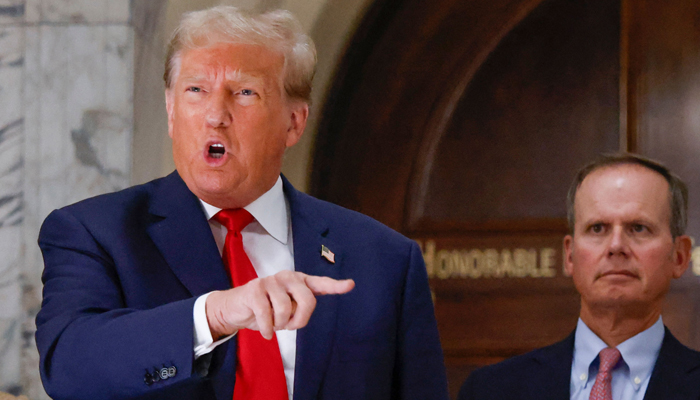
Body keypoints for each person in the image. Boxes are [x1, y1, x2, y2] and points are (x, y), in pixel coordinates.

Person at [35, 6, 448, 400]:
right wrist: (213, 316)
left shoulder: (383, 260)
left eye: (244, 92)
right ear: (171, 110)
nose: (216, 114)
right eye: (196, 90)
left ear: (294, 122)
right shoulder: (94, 232)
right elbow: (69, 366)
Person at [458, 154, 700, 400]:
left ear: (679, 257)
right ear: (570, 255)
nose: (616, 246)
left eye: (638, 228)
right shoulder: (490, 390)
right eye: (597, 228)